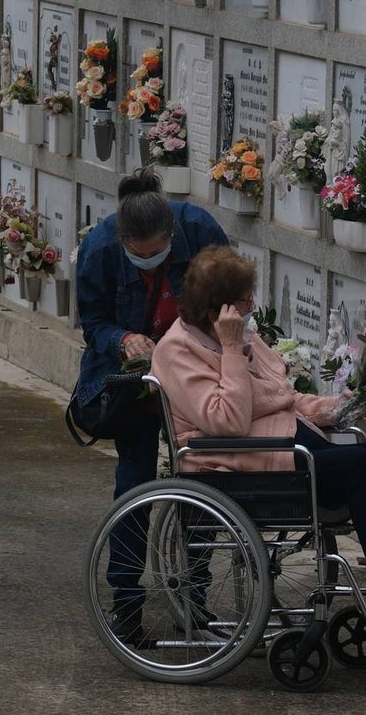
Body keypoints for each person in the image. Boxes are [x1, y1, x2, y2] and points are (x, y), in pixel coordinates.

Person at [150, 246, 366, 632]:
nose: (252, 304)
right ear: (217, 309)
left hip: (285, 448)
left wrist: (329, 407)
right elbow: (229, 419)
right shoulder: (178, 350)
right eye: (243, 300)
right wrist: (232, 349)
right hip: (243, 464)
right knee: (362, 465)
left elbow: (279, 394)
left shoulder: (237, 334)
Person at [71, 167, 229, 644]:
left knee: (200, 477)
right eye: (136, 257)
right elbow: (94, 321)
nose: (148, 262)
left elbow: (233, 303)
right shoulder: (100, 249)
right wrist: (123, 339)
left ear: (173, 235)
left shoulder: (201, 231)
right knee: (134, 482)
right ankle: (126, 603)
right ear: (121, 239)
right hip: (134, 378)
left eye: (157, 253)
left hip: (196, 369)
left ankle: (195, 597)